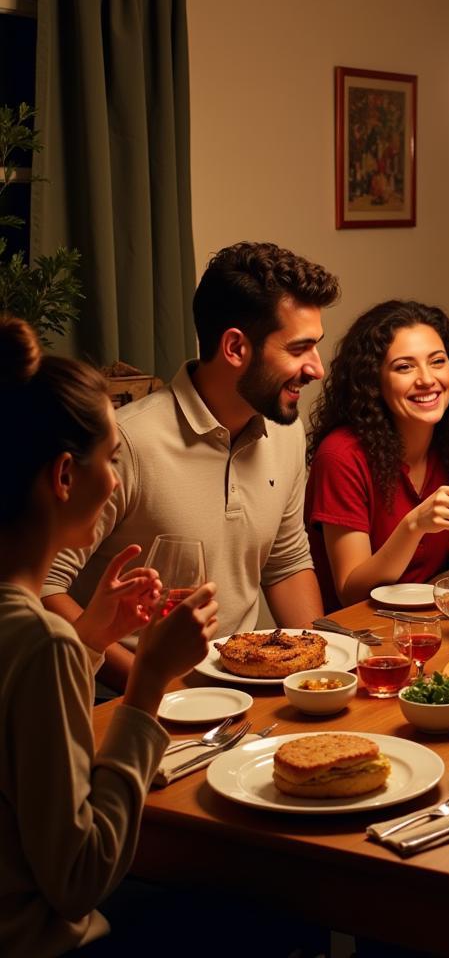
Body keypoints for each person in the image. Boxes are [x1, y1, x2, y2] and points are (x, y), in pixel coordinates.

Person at [0, 316, 218, 955]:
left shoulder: (38, 637)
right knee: (272, 907)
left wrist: (93, 637)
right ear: (65, 475)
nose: (117, 481)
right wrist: (148, 682)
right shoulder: (42, 644)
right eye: (112, 459)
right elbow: (79, 878)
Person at [42, 242, 339, 691]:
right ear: (236, 347)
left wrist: (320, 671)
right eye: (299, 349)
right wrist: (156, 683)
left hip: (239, 689)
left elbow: (286, 562)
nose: (316, 368)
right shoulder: (126, 443)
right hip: (122, 698)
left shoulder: (286, 432)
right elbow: (45, 589)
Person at [305, 300, 449, 608]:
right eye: (405, 366)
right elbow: (351, 591)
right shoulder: (341, 456)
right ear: (374, 381)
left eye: (437, 361)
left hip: (435, 617)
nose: (427, 379)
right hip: (363, 633)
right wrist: (414, 525)